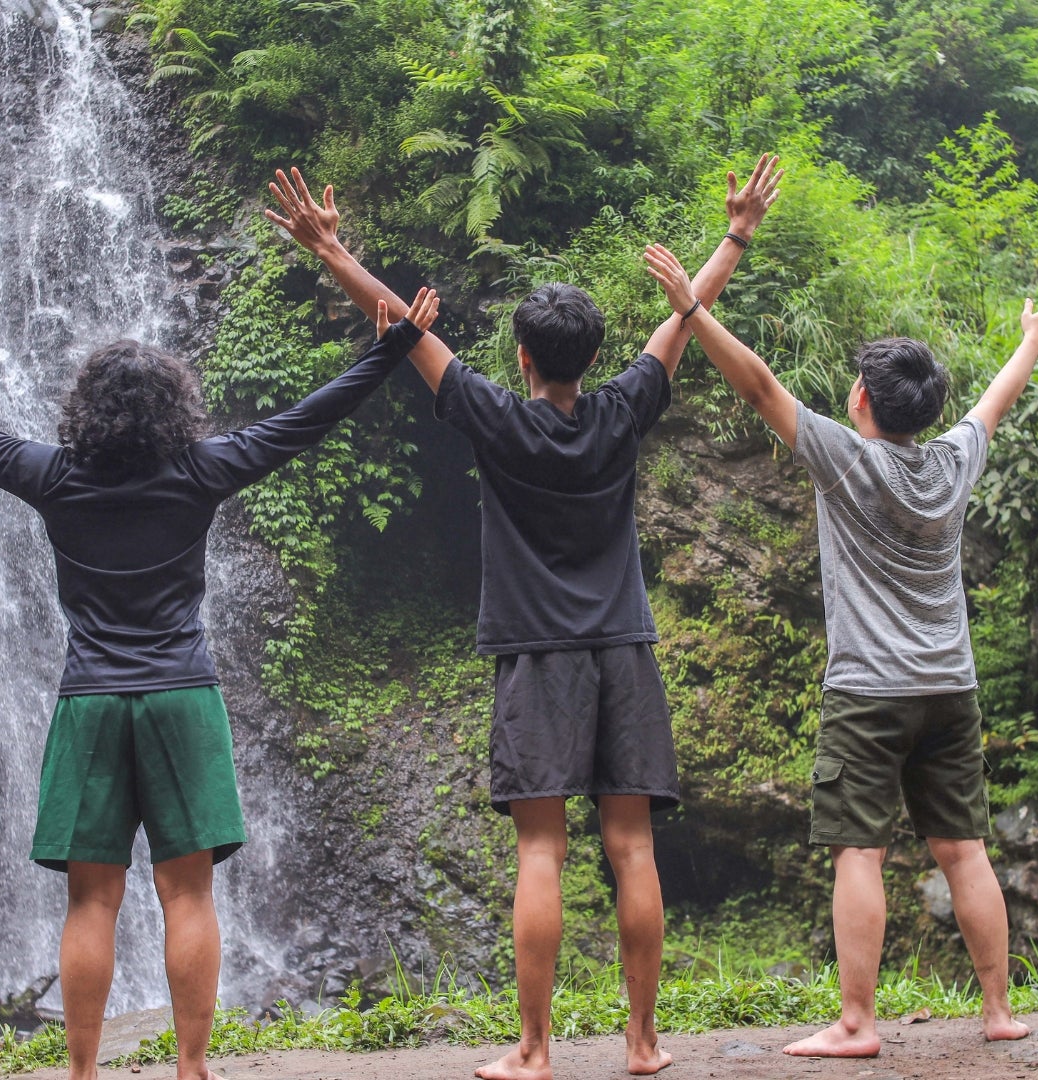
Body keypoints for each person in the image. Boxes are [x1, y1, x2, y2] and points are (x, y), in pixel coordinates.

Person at [0, 288, 442, 1080]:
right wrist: (388, 352)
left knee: (91, 903)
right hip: (182, 694)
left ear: (84, 410)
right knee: (188, 897)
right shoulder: (203, 470)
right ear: (174, 409)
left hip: (90, 703)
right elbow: (305, 421)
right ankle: (192, 1070)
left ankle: (82, 1074)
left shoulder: (49, 476)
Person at [263, 160, 782, 1080]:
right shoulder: (622, 410)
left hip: (536, 658)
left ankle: (536, 1051)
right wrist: (734, 235)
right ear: (592, 356)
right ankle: (644, 1044)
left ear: (524, 359)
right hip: (622, 645)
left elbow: (406, 326)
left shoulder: (495, 418)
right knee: (633, 846)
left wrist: (332, 247)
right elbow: (677, 323)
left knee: (541, 848)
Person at [639, 244, 1038, 1058]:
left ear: (861, 401)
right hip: (950, 684)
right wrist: (1034, 339)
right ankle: (998, 1010)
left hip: (869, 690)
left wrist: (692, 310)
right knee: (964, 849)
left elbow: (761, 385)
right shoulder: (950, 464)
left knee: (859, 851)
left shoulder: (846, 460)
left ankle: (856, 1023)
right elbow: (994, 404)